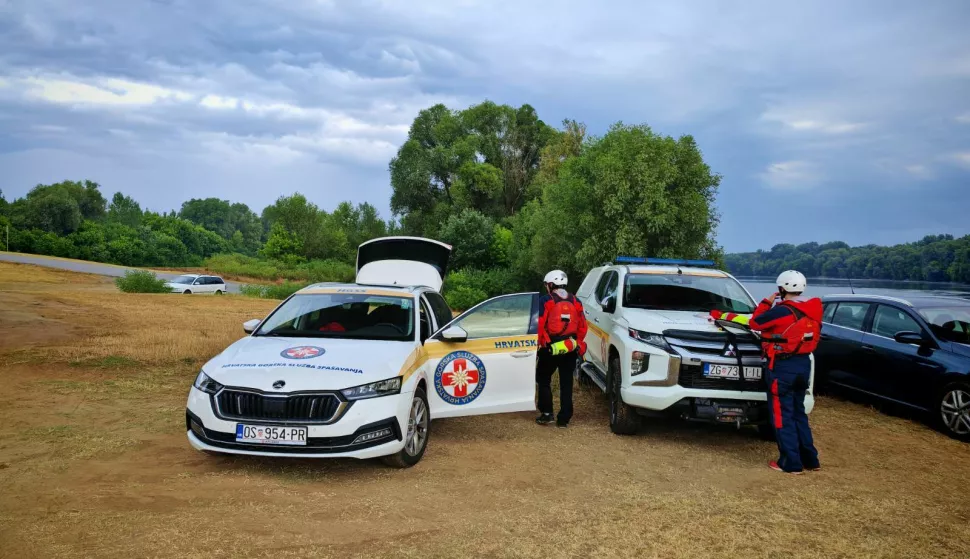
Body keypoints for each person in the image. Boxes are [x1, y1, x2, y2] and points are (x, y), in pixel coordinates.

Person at [748, 270, 822, 475]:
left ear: (781, 289)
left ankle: (790, 463)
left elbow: (755, 323)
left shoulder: (781, 311)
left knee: (783, 417)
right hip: (803, 365)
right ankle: (811, 459)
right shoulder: (813, 309)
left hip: (782, 367)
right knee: (799, 414)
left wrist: (766, 302)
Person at [535, 270, 588, 428]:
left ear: (551, 284)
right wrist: (576, 343)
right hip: (570, 347)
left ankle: (547, 413)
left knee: (543, 378)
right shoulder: (576, 301)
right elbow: (583, 326)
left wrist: (541, 343)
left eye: (547, 285)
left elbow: (539, 323)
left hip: (550, 347)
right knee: (567, 382)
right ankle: (564, 419)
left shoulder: (546, 300)